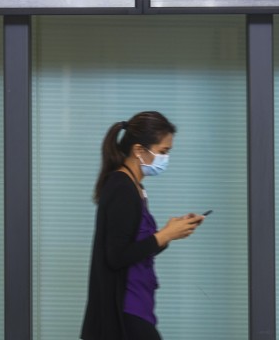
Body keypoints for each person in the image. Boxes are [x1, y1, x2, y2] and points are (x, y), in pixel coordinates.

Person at [81, 111, 204, 340]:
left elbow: (136, 247)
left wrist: (170, 233)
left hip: (138, 304)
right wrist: (164, 235)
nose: (165, 159)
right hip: (126, 309)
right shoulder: (122, 188)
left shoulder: (134, 187)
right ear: (139, 150)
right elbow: (116, 256)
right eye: (163, 152)